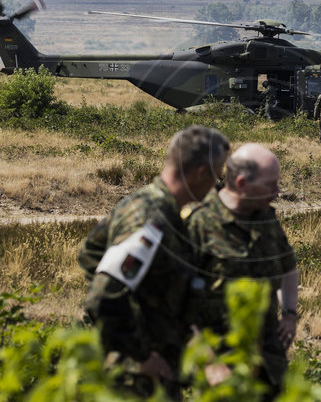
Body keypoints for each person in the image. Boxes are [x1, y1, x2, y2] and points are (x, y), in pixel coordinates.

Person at [78, 125, 230, 399]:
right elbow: (104, 296)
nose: (215, 187)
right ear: (200, 174)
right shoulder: (153, 219)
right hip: (138, 380)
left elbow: (91, 254)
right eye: (217, 178)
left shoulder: (148, 205)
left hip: (156, 366)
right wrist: (141, 353)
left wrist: (143, 300)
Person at [186, 143, 298, 399]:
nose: (277, 191)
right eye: (270, 184)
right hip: (220, 367)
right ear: (241, 183)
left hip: (268, 362)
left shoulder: (266, 218)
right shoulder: (197, 225)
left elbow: (287, 266)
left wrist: (290, 314)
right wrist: (209, 362)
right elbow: (176, 304)